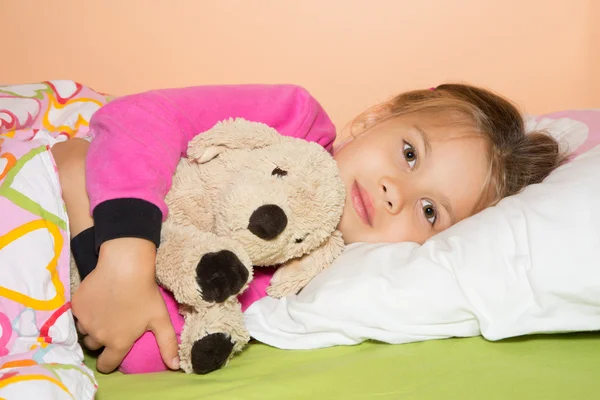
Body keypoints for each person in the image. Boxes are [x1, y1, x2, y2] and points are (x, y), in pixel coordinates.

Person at [51, 83, 565, 374]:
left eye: (430, 211)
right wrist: (126, 256)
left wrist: (82, 204)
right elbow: (140, 117)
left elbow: (130, 341)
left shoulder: (309, 285)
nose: (395, 192)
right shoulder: (294, 119)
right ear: (375, 119)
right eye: (408, 153)